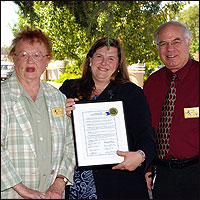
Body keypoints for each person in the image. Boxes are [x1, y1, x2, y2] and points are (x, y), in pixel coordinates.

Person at [59, 37, 156, 199]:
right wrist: (61, 114)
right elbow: (53, 132)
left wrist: (141, 156)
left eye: (111, 58)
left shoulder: (132, 93)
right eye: (99, 56)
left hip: (119, 183)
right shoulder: (69, 89)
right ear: (90, 60)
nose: (104, 63)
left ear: (118, 65)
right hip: (77, 183)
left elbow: (146, 136)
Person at [1, 27, 76, 199]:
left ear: (47, 60)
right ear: (14, 58)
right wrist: (23, 190)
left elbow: (70, 145)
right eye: (23, 54)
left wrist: (59, 184)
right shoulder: (3, 96)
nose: (30, 61)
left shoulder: (58, 97)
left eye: (37, 55)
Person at [144, 21, 199, 200]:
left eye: (176, 41)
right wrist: (149, 169)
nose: (170, 49)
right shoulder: (151, 84)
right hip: (163, 176)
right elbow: (146, 130)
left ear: (189, 42)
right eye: (163, 44)